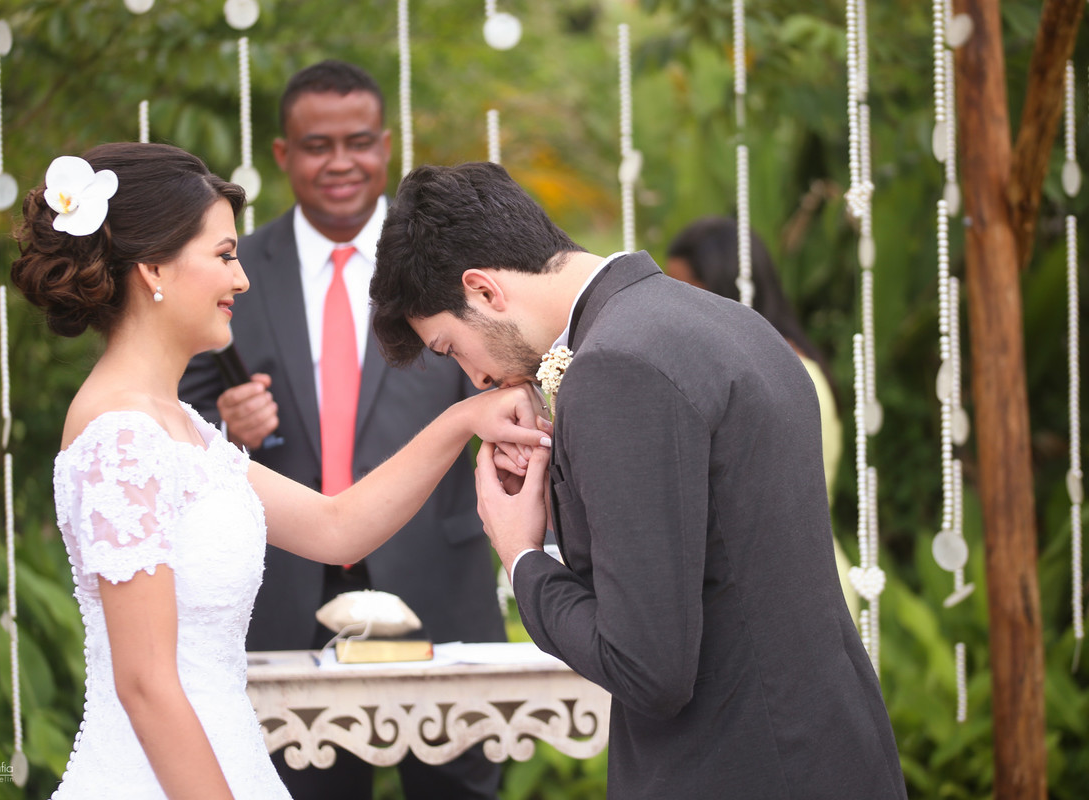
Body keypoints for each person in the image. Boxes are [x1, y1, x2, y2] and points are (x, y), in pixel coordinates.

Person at [11, 143, 546, 799]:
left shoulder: (177, 426)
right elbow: (146, 684)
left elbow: (336, 525)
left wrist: (466, 420)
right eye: (223, 255)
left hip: (230, 757)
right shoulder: (123, 438)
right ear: (153, 267)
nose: (241, 280)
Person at [370, 162, 908, 799]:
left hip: (734, 770)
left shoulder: (617, 367)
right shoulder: (731, 323)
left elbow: (647, 667)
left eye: (450, 347)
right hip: (836, 755)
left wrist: (521, 556)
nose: (475, 377)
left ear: (483, 291)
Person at [177, 59, 506, 799]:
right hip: (285, 597)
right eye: (317, 145)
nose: (340, 163)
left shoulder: (454, 262)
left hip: (438, 592)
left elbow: (507, 382)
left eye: (358, 142)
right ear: (283, 156)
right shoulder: (230, 266)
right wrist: (230, 431)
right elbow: (174, 423)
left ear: (386, 146)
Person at [665, 215, 859, 618]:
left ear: (724, 288)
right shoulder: (779, 366)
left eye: (686, 291)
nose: (671, 308)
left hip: (795, 595)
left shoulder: (779, 374)